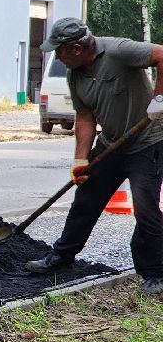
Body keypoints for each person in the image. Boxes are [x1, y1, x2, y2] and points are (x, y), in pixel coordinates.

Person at [25, 17, 163, 294]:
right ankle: (62, 256)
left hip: (147, 144)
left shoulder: (119, 51)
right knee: (86, 199)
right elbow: (85, 118)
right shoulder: (74, 74)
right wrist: (80, 161)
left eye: (59, 50)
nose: (57, 56)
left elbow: (162, 55)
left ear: (75, 49)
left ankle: (154, 273)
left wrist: (159, 99)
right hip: (111, 143)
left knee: (146, 208)